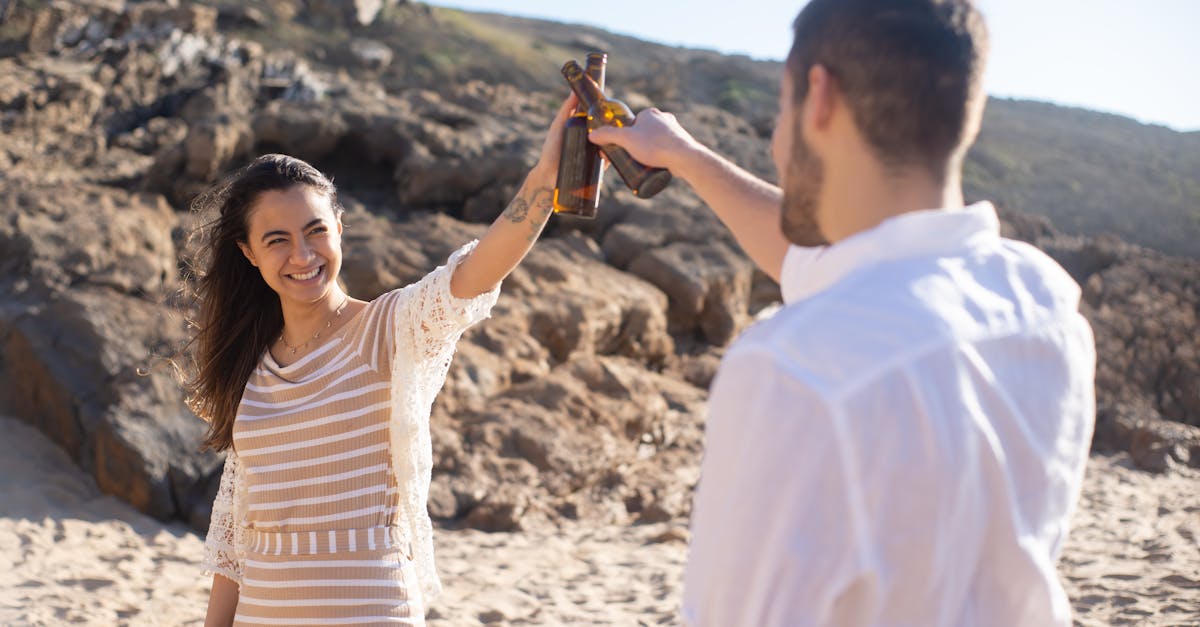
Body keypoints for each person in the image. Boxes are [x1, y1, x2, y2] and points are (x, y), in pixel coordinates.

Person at [589, 1, 1096, 625]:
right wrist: (686, 156)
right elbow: (837, 265)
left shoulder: (794, 368)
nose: (777, 141)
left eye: (783, 108)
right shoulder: (1045, 305)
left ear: (819, 97)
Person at [192, 97, 577, 626]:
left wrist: (546, 177)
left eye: (316, 231)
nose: (302, 256)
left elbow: (474, 274)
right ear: (249, 253)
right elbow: (235, 541)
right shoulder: (250, 368)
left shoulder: (387, 330)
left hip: (370, 611)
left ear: (340, 229)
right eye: (277, 240)